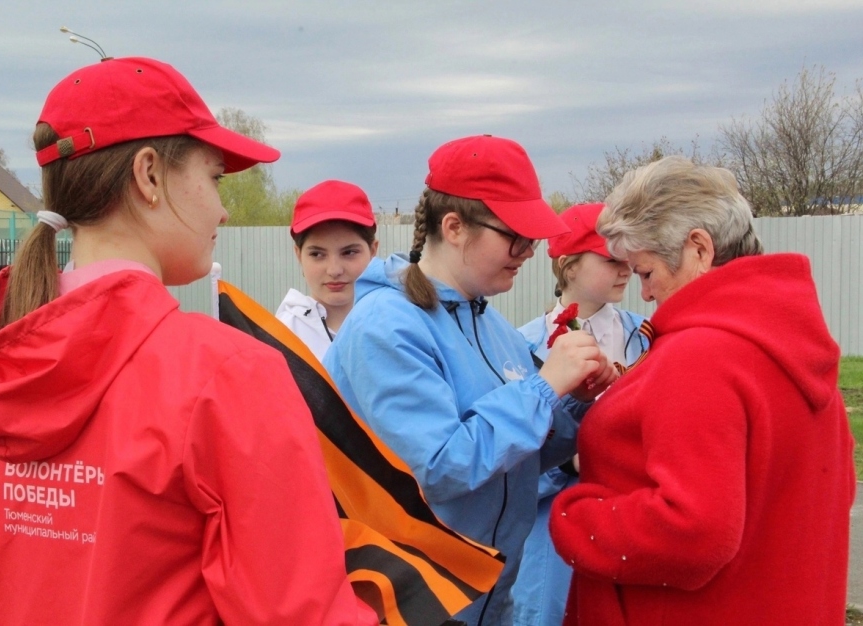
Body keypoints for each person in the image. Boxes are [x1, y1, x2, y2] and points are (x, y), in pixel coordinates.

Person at [0, 57, 377, 626]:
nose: (222, 209)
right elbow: (299, 613)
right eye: (215, 178)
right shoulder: (228, 376)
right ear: (148, 175)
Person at [323, 134, 618, 625]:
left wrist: (572, 401)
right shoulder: (387, 326)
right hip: (405, 605)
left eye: (532, 239)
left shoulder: (492, 327)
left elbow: (516, 460)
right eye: (515, 236)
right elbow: (441, 467)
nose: (528, 252)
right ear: (455, 227)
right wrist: (543, 388)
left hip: (481, 602)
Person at [549, 156, 856, 625]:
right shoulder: (784, 345)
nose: (645, 294)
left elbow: (693, 530)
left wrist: (575, 519)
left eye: (646, 272)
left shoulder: (702, 355)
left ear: (698, 249)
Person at [512, 203, 650, 626]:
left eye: (629, 258)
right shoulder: (521, 346)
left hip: (629, 518)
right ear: (569, 266)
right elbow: (508, 458)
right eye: (611, 260)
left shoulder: (649, 337)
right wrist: (565, 462)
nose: (625, 270)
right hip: (550, 530)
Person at [276, 179, 379, 360]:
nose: (334, 270)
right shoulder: (281, 339)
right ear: (299, 255)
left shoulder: (399, 326)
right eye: (317, 254)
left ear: (372, 251)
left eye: (349, 252)